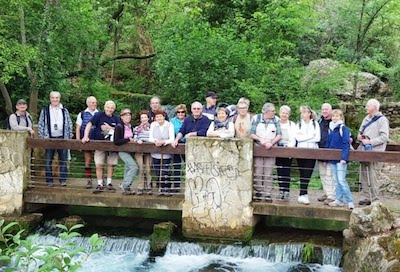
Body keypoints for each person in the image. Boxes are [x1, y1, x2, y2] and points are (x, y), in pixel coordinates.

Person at [81, 100, 120, 193]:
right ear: (104, 107)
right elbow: (89, 124)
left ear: (114, 109)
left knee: (111, 164)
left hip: (112, 146)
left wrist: (110, 128)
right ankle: (100, 183)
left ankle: (109, 183)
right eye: (108, 107)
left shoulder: (116, 118)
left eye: (111, 108)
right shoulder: (99, 115)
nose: (109, 109)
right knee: (99, 164)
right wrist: (85, 136)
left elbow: (121, 129)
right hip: (100, 144)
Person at [357, 99, 389, 206]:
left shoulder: (382, 120)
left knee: (373, 175)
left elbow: (384, 137)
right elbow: (360, 132)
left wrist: (370, 142)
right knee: (364, 175)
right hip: (364, 151)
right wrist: (360, 137)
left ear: (374, 107)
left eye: (367, 106)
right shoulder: (366, 119)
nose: (365, 107)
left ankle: (375, 199)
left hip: (375, 152)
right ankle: (366, 197)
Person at [38, 91, 73, 187]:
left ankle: (63, 180)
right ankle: (49, 180)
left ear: (59, 99)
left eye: (57, 98)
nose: (55, 100)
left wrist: (69, 137)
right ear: (50, 99)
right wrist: (42, 138)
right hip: (49, 138)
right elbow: (41, 124)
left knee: (63, 160)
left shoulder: (64, 110)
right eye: (53, 98)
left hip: (62, 138)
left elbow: (69, 124)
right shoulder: (45, 110)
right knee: (48, 160)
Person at [250, 103, 282, 202]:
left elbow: (279, 134)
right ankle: (258, 191)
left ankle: (268, 193)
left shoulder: (276, 120)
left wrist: (271, 143)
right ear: (267, 111)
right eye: (273, 111)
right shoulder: (256, 118)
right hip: (259, 147)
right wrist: (261, 140)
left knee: (268, 172)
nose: (274, 112)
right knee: (258, 170)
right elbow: (251, 133)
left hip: (271, 148)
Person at [326, 109, 354, 209]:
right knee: (336, 180)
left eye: (337, 116)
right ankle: (339, 200)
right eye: (333, 116)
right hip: (332, 158)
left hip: (341, 158)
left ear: (341, 117)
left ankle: (350, 201)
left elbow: (346, 143)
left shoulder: (343, 128)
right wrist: (327, 157)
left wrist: (344, 158)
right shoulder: (331, 128)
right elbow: (328, 144)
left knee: (341, 180)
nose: (334, 118)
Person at [294, 106, 320, 205]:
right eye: (302, 113)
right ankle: (303, 194)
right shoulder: (299, 124)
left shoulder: (315, 124)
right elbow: (298, 138)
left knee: (308, 172)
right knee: (302, 172)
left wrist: (304, 137)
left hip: (312, 151)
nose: (303, 114)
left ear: (309, 113)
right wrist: (310, 136)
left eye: (305, 112)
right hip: (301, 151)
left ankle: (303, 193)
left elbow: (317, 138)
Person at [149, 109, 175, 195]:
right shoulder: (153, 125)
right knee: (157, 171)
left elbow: (172, 139)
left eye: (160, 116)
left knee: (165, 171)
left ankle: (166, 188)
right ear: (155, 118)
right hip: (155, 152)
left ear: (164, 117)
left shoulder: (169, 125)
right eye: (157, 116)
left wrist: (164, 142)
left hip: (166, 152)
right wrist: (156, 141)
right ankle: (160, 188)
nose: (159, 118)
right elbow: (150, 138)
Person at [114, 108, 138, 195]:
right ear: (121, 117)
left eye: (129, 115)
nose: (128, 116)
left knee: (127, 168)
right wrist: (127, 140)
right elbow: (116, 141)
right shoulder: (119, 126)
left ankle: (127, 188)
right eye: (125, 115)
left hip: (129, 150)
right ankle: (124, 185)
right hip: (122, 150)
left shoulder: (130, 126)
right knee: (134, 167)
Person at [75, 96, 98, 189]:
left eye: (95, 102)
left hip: (97, 141)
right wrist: (78, 142)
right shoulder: (82, 114)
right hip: (86, 141)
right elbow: (78, 128)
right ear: (88, 103)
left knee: (98, 161)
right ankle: (89, 180)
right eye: (92, 102)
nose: (94, 104)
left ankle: (100, 180)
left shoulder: (99, 113)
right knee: (87, 161)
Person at [276, 105, 296, 201]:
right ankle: (281, 190)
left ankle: (286, 191)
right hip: (277, 149)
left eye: (286, 113)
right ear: (279, 113)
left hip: (288, 149)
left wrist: (289, 147)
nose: (284, 115)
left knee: (287, 170)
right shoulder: (275, 123)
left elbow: (293, 137)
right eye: (283, 113)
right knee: (279, 170)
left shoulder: (292, 124)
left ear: (289, 115)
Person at [317, 103, 336, 204]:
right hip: (320, 152)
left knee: (330, 175)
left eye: (326, 109)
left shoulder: (334, 122)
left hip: (330, 152)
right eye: (323, 109)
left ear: (331, 110)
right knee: (323, 174)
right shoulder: (319, 121)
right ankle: (326, 192)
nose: (324, 111)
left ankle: (331, 195)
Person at [134, 110, 153, 195]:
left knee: (148, 169)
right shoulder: (137, 128)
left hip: (149, 150)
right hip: (139, 150)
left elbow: (153, 137)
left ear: (148, 118)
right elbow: (134, 138)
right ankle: (140, 186)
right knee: (141, 168)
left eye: (145, 117)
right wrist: (138, 140)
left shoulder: (152, 127)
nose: (144, 119)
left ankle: (149, 185)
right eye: (142, 117)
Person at [170, 104, 187, 192]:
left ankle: (190, 184)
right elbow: (170, 132)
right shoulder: (172, 121)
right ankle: (176, 185)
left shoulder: (188, 120)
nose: (180, 114)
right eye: (178, 112)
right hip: (176, 144)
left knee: (188, 164)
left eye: (182, 112)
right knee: (177, 165)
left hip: (186, 144)